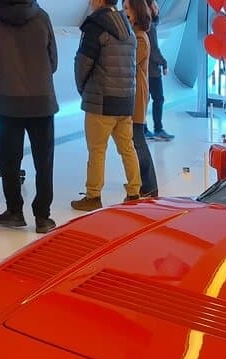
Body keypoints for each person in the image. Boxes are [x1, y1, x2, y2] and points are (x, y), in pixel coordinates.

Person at [0, 0, 59, 233]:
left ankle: (14, 212)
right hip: (42, 98)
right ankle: (43, 217)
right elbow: (53, 61)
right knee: (44, 160)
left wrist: (3, 74)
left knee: (9, 159)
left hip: (5, 98)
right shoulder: (41, 14)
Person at [70, 0, 141, 211]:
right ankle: (134, 192)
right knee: (127, 148)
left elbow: (83, 64)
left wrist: (83, 90)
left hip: (101, 101)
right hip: (125, 101)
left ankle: (93, 196)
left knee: (97, 150)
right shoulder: (127, 25)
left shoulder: (95, 26)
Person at [124, 0, 158, 196]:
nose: (124, 12)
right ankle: (143, 182)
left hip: (137, 94)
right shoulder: (135, 36)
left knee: (137, 140)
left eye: (127, 8)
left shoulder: (140, 38)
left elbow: (129, 62)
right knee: (135, 139)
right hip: (134, 92)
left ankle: (149, 184)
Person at [146, 0, 173, 140]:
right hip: (152, 71)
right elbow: (154, 51)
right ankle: (158, 129)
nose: (157, 9)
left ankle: (144, 129)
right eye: (155, 6)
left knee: (145, 99)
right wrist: (164, 63)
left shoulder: (146, 25)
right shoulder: (150, 27)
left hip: (145, 70)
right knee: (158, 99)